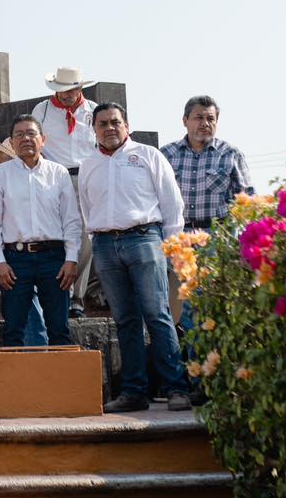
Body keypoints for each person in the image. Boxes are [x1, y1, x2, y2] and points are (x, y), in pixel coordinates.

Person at [78, 102, 190, 413]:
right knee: (125, 320)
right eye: (102, 124)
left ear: (127, 125)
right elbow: (88, 210)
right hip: (104, 245)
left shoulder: (149, 156)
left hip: (145, 239)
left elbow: (172, 204)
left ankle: (176, 388)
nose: (109, 128)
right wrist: (98, 240)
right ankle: (134, 392)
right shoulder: (88, 165)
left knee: (158, 315)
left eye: (115, 122)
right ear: (95, 129)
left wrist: (171, 247)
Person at [0, 115, 82, 350]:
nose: (25, 138)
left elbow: (71, 220)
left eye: (31, 133)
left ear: (43, 139)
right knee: (13, 329)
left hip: (54, 259)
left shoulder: (58, 172)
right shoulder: (0, 174)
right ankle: (15, 386)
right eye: (19, 134)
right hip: (15, 260)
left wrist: (71, 259)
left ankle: (61, 385)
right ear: (12, 141)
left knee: (59, 329)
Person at [161, 95, 254, 334]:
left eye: (210, 118)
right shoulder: (166, 155)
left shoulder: (230, 154)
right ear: (185, 121)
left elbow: (247, 202)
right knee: (184, 302)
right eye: (198, 118)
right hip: (177, 237)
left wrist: (242, 244)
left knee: (205, 302)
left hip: (215, 237)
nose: (205, 123)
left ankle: (199, 363)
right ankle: (193, 361)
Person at [32, 66, 99, 319]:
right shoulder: (42, 110)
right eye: (63, 90)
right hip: (52, 176)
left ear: (80, 88)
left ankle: (76, 296)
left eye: (73, 89)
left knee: (86, 238)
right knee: (53, 232)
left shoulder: (93, 110)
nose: (68, 94)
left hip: (85, 177)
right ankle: (55, 290)